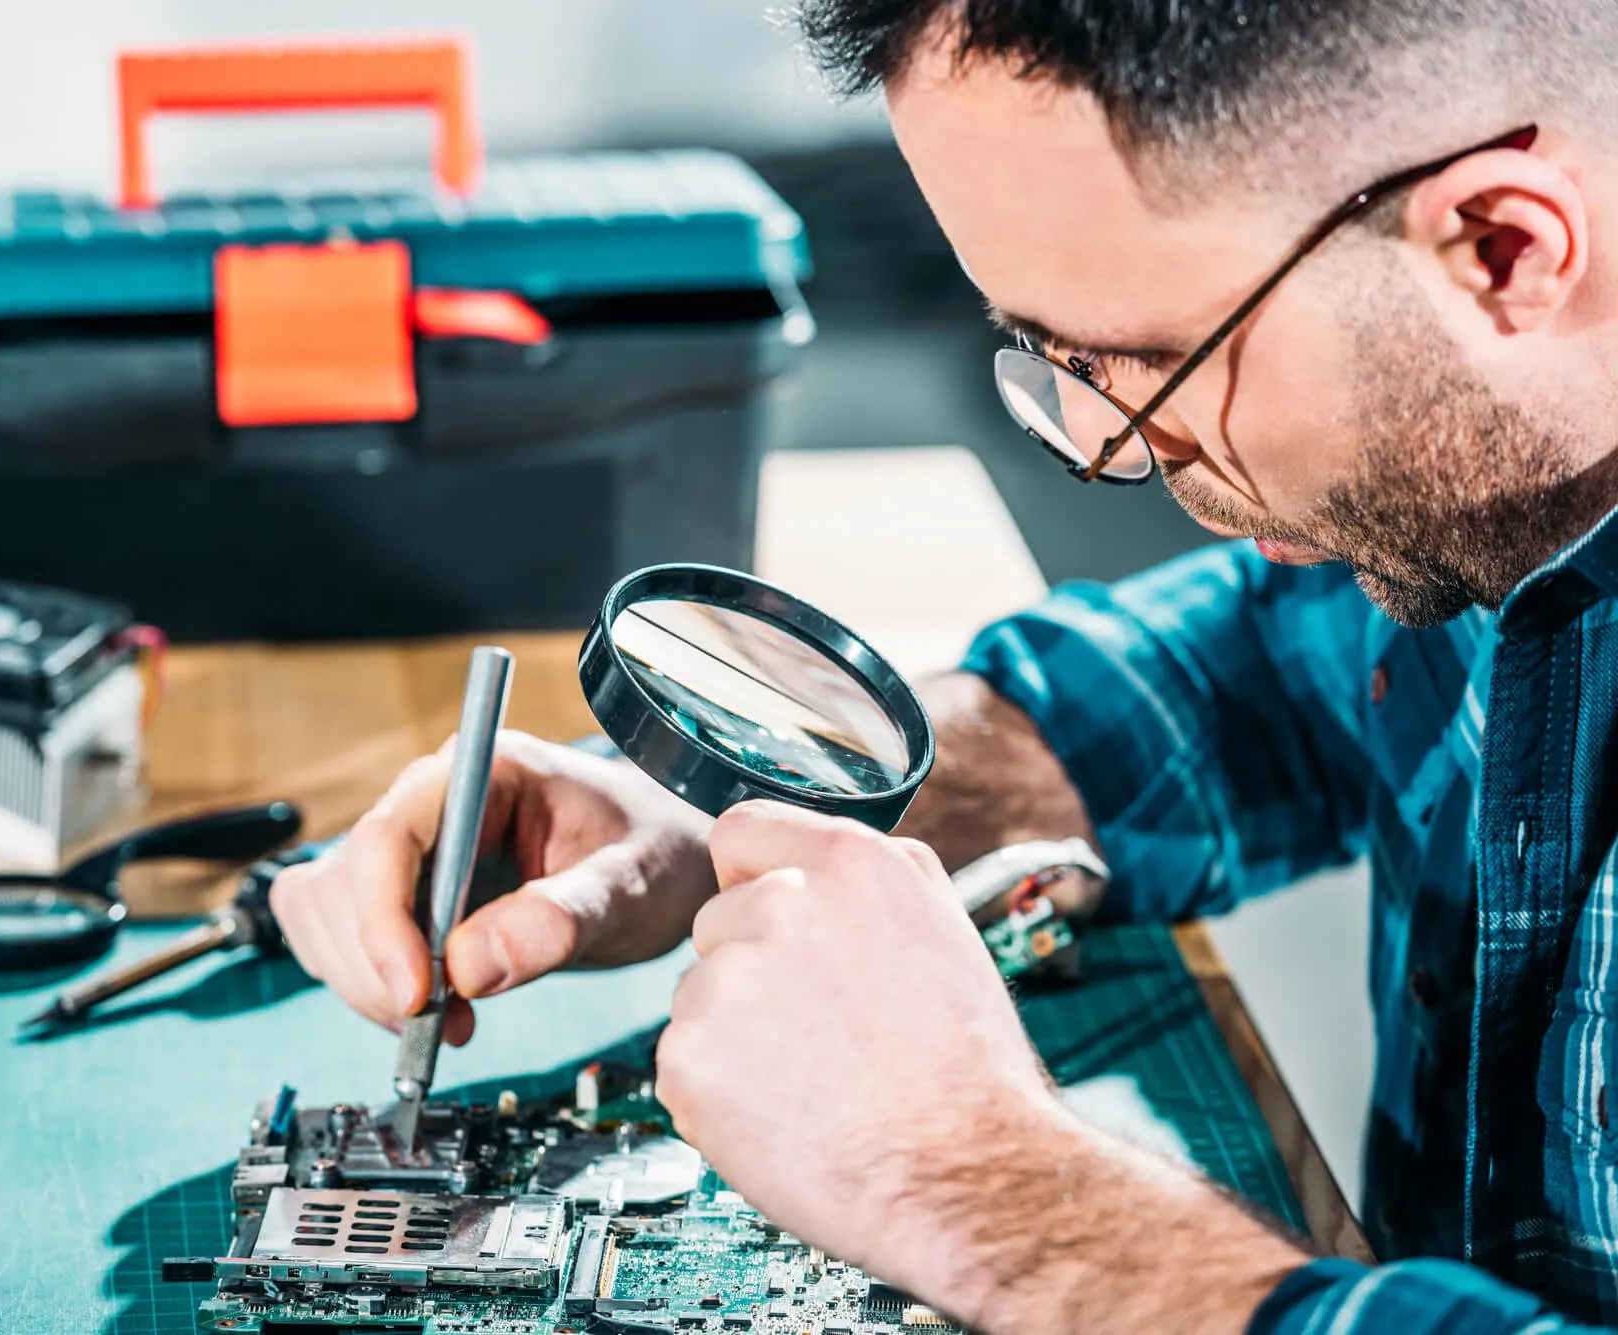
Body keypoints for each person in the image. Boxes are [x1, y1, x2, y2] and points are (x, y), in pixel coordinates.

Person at [269, 0, 1618, 1329]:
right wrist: (737, 811)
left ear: (1503, 247)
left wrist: (998, 1196)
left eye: (1146, 368)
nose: (1110, 453)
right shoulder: (1485, 500)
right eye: (1051, 356)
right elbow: (1261, 670)